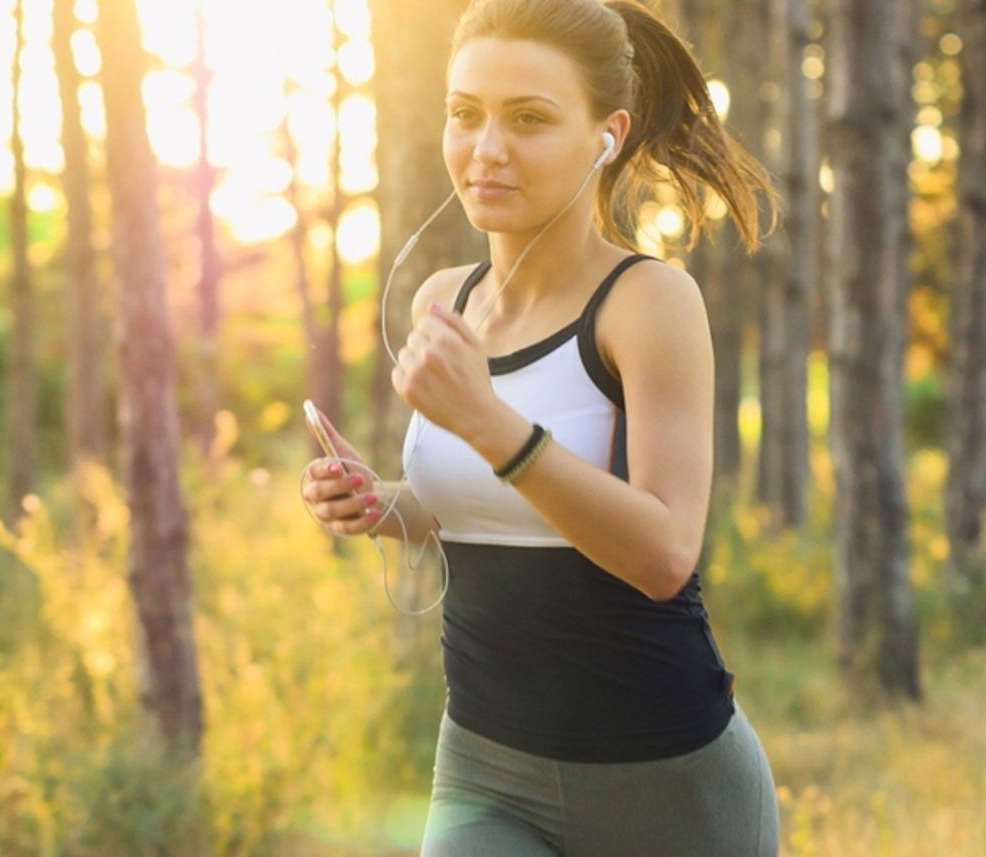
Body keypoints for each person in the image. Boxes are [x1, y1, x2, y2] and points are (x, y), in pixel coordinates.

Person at [301, 0, 781, 853]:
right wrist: (382, 503)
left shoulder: (646, 303)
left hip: (665, 779)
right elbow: (479, 506)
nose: (486, 150)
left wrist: (489, 423)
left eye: (528, 119)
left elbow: (665, 553)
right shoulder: (442, 299)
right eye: (465, 114)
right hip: (486, 767)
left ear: (607, 134)